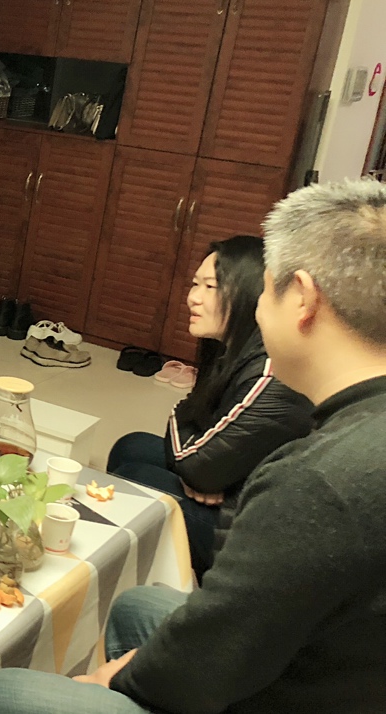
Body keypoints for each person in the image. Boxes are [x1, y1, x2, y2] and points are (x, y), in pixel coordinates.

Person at [0, 178, 386, 713]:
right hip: (319, 666)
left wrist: (117, 677)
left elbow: (209, 659)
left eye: (266, 289)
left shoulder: (319, 480)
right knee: (138, 605)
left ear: (302, 298)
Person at [108, 235, 312, 577]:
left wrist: (203, 473)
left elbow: (192, 458)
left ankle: (142, 576)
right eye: (194, 284)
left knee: (135, 479)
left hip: (255, 532)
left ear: (250, 293)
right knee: (131, 447)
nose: (193, 297)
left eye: (210, 287)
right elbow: (192, 420)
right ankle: (130, 565)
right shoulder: (233, 348)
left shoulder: (271, 372)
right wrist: (201, 471)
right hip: (238, 483)